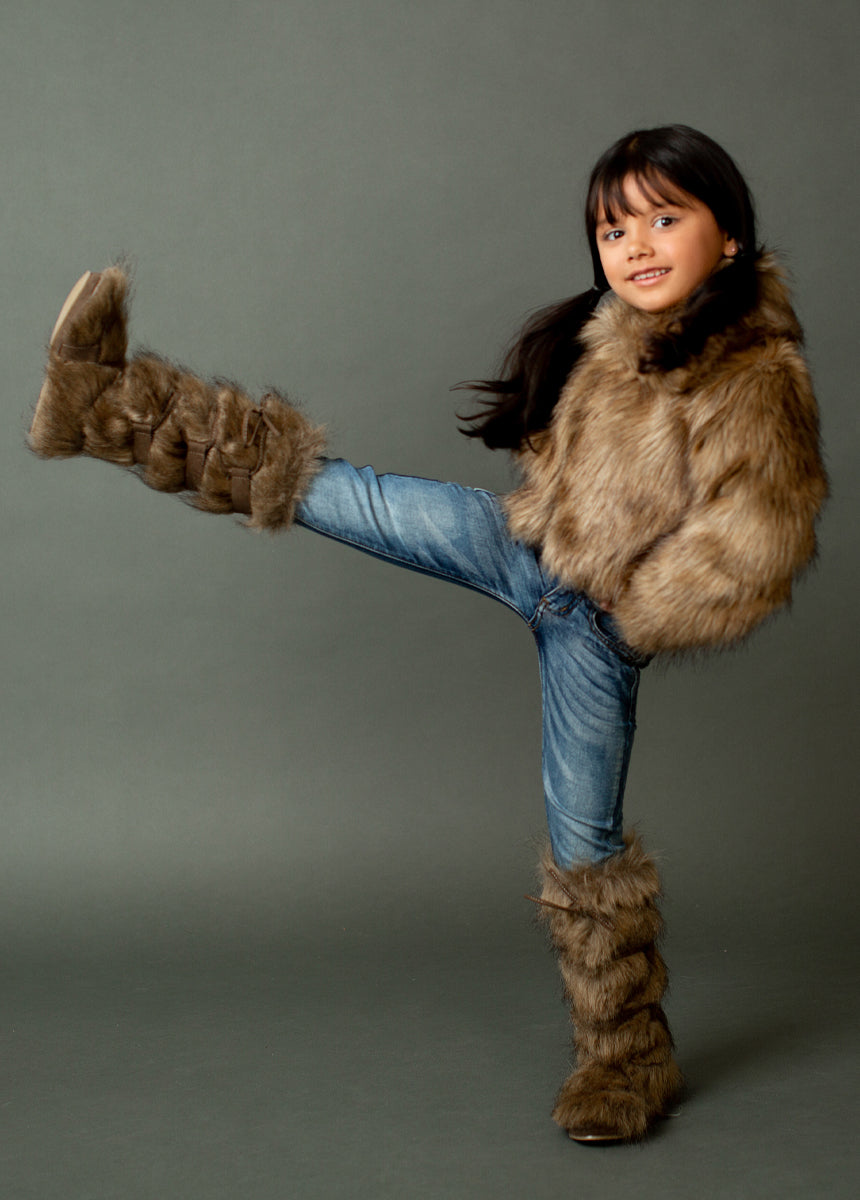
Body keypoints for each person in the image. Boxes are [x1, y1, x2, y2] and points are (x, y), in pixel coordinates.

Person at [29, 125, 827, 1143]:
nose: (633, 246)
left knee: (585, 846)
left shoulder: (757, 376)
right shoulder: (617, 334)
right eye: (611, 228)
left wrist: (631, 612)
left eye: (663, 218)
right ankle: (103, 407)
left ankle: (624, 1064)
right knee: (335, 490)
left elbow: (760, 543)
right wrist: (553, 510)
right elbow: (585, 467)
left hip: (595, 629)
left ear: (729, 237)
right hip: (524, 552)